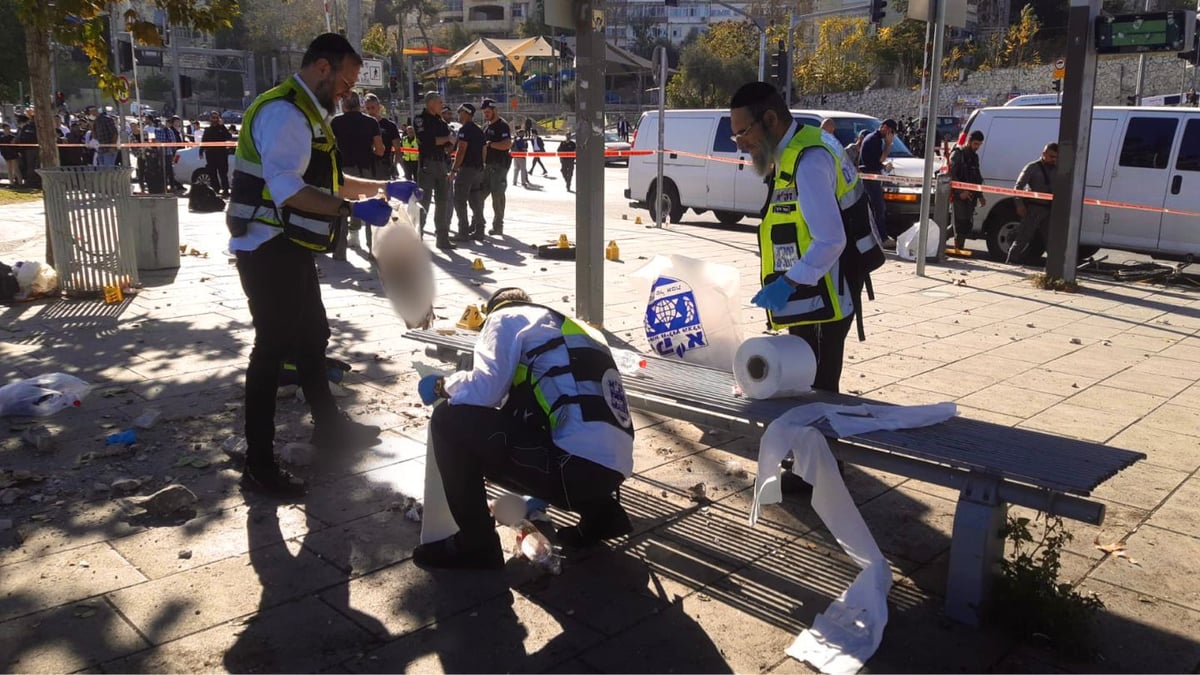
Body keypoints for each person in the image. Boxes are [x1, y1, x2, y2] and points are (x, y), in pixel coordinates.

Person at [225, 32, 422, 498]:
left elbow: (331, 180)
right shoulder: (285, 113)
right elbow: (287, 189)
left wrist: (382, 187)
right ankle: (259, 463)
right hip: (267, 247)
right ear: (321, 68)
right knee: (271, 352)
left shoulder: (309, 113)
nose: (346, 92)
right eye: (345, 82)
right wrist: (350, 211)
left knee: (312, 338)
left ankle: (330, 427)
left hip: (288, 246)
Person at [414, 287, 635, 569]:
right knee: (564, 437)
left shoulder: (504, 318)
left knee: (448, 419)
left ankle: (476, 544)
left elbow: (486, 389)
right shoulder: (567, 330)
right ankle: (603, 515)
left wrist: (441, 385)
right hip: (611, 470)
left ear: (492, 309)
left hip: (572, 468)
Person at [731, 81, 862, 393]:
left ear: (771, 120)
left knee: (817, 392)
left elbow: (831, 240)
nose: (740, 143)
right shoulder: (805, 145)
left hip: (824, 296)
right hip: (814, 291)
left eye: (744, 132)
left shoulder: (809, 161)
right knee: (803, 386)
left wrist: (787, 283)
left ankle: (817, 442)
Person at [331, 91, 384, 256]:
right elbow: (380, 150)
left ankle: (339, 251)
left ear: (344, 105)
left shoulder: (336, 122)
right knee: (369, 208)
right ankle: (373, 249)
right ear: (359, 104)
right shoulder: (371, 122)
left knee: (341, 209)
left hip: (343, 171)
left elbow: (330, 147)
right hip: (365, 170)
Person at [414, 91, 455, 249]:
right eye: (439, 102)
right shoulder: (420, 120)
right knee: (424, 202)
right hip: (428, 164)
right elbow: (427, 141)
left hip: (442, 164)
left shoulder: (441, 121)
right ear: (430, 103)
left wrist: (450, 141)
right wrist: (446, 139)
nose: (442, 105)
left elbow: (447, 145)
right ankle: (417, 236)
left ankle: (442, 238)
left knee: (443, 201)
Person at [1009, 142, 1057, 264]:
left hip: (1049, 210)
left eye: (1056, 157)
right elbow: (1018, 187)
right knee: (1023, 239)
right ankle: (1010, 262)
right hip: (1033, 209)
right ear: (1044, 154)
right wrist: (1019, 204)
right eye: (1051, 156)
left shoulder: (1057, 169)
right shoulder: (1032, 167)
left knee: (1052, 242)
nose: (1054, 160)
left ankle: (1054, 269)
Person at [449, 102, 486, 242]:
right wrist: (481, 165)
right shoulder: (479, 130)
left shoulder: (465, 130)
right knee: (476, 200)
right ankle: (480, 230)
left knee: (460, 200)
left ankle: (463, 231)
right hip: (478, 169)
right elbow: (484, 150)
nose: (458, 115)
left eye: (460, 113)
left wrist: (454, 169)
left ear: (465, 113)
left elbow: (462, 150)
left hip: (467, 169)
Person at [859, 118, 896, 247]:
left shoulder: (874, 138)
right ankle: (882, 237)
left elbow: (877, 161)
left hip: (872, 175)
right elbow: (880, 158)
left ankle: (878, 235)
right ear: (885, 128)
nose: (890, 136)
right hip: (870, 178)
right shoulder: (874, 140)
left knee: (877, 207)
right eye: (890, 132)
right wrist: (888, 144)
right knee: (878, 207)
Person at [949, 130, 986, 252]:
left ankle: (959, 248)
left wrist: (980, 195)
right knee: (958, 224)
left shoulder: (974, 157)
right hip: (958, 196)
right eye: (975, 144)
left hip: (971, 195)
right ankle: (937, 245)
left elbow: (977, 177)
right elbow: (951, 175)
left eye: (979, 144)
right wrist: (960, 192)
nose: (977, 147)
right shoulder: (958, 154)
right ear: (969, 141)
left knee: (966, 224)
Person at [480, 98, 512, 235]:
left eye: (488, 112)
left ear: (494, 110)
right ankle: (478, 223)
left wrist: (491, 144)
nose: (486, 114)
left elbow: (507, 144)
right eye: (484, 112)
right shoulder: (486, 126)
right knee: (478, 196)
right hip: (487, 166)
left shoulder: (502, 125)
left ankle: (498, 225)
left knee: (497, 195)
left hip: (499, 166)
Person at [364, 93, 400, 180]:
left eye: (373, 108)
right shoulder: (363, 125)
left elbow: (397, 149)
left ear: (378, 107)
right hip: (367, 165)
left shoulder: (389, 125)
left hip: (384, 165)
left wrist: (395, 165)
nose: (370, 111)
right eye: (368, 108)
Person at [200, 110, 234, 196]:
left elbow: (229, 137)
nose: (214, 119)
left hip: (221, 155)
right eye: (213, 117)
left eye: (216, 118)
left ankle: (225, 190)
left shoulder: (221, 128)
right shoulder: (207, 130)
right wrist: (201, 151)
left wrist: (222, 126)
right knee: (212, 173)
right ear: (210, 118)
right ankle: (215, 190)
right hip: (211, 155)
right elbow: (204, 141)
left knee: (223, 173)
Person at [1, 123, 21, 187]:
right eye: (6, 129)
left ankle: (20, 183)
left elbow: (15, 146)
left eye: (8, 129)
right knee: (9, 170)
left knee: (16, 169)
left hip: (13, 155)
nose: (8, 130)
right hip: (6, 155)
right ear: (4, 130)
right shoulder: (2, 138)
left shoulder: (13, 137)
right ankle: (11, 183)